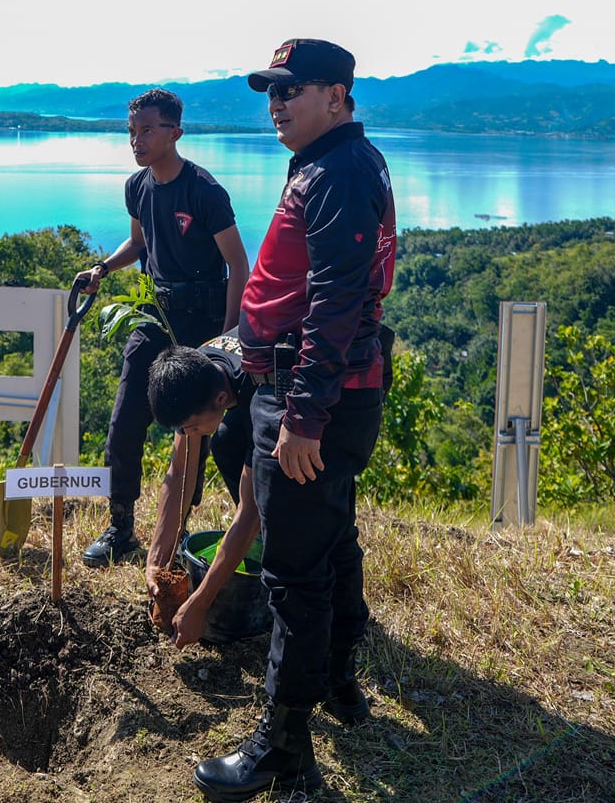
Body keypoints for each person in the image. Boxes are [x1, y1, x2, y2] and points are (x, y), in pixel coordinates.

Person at [192, 39, 396, 803]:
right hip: (334, 390)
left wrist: (303, 415)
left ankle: (283, 745)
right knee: (332, 540)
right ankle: (342, 681)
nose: (275, 104)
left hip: (315, 396)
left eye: (291, 90)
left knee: (292, 576)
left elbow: (338, 299)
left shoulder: (338, 169)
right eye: (270, 93)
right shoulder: (341, 158)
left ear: (337, 95)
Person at [75, 88, 248, 568]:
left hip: (204, 320)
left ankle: (179, 525)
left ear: (175, 132)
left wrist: (226, 340)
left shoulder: (205, 191)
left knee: (191, 429)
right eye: (132, 132)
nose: (137, 140)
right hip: (155, 311)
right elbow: (138, 243)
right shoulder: (137, 186)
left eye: (147, 130)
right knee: (126, 416)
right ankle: (121, 525)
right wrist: (102, 269)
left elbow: (238, 264)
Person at [143, 341, 254, 639]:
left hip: (330, 400)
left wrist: (200, 603)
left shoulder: (257, 390)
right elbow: (179, 472)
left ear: (221, 399)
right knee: (226, 444)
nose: (187, 434)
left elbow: (251, 511)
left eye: (190, 427)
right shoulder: (196, 369)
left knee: (282, 494)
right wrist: (155, 560)